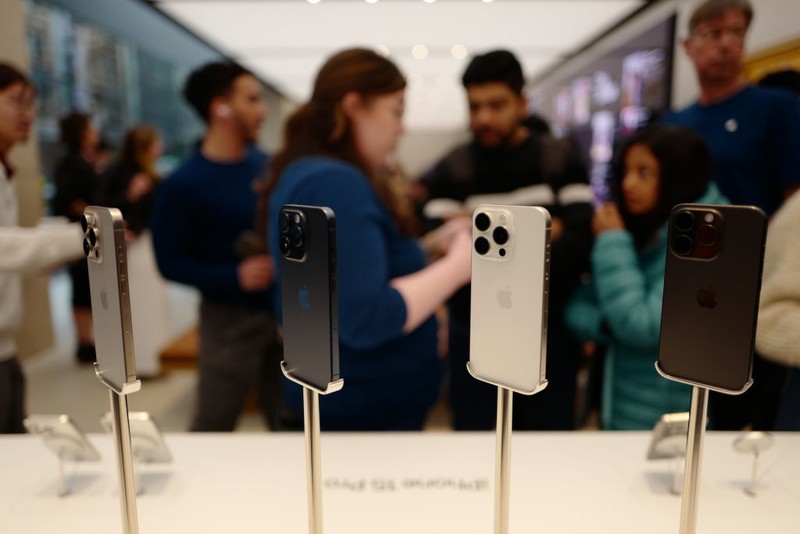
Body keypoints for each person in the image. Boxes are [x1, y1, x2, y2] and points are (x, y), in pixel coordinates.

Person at [264, 48, 472, 431]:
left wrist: (430, 247)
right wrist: (459, 266)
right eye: (395, 110)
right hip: (362, 415)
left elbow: (350, 276)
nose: (401, 127)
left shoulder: (314, 174)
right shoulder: (335, 182)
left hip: (354, 407)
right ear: (353, 105)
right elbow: (366, 317)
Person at [414, 49, 593, 430]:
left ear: (522, 103)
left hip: (548, 339)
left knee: (545, 455)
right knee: (475, 451)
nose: (483, 118)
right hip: (474, 339)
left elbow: (578, 249)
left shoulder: (559, 160)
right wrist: (541, 231)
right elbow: (443, 250)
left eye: (497, 105)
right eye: (475, 106)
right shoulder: (453, 167)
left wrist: (478, 229)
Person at [663, 0, 800, 430]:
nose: (725, 44)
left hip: (757, 289)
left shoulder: (777, 108)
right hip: (690, 283)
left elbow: (795, 203)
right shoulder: (674, 122)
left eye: (735, 33)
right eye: (712, 33)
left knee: (746, 409)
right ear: (688, 45)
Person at [565, 125, 727, 430]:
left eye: (644, 173)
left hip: (666, 416)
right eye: (626, 171)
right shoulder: (645, 224)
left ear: (677, 175)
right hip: (621, 403)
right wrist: (608, 324)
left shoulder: (707, 237)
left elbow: (643, 326)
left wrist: (612, 242)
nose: (628, 184)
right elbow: (576, 306)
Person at [151, 61, 283, 431]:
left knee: (293, 423)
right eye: (252, 99)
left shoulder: (270, 167)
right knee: (214, 423)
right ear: (220, 107)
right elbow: (170, 262)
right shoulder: (182, 185)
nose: (262, 110)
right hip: (227, 321)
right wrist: (233, 276)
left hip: (285, 315)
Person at [0, 62, 83, 433]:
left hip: (6, 347)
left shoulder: (6, 167)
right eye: (17, 102)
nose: (28, 115)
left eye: (31, 104)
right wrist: (79, 237)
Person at [97, 125, 167, 378]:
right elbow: (103, 208)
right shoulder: (123, 173)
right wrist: (130, 195)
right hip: (133, 246)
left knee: (150, 303)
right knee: (139, 304)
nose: (161, 148)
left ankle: (153, 359)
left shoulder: (146, 172)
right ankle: (143, 363)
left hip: (145, 242)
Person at [51, 112, 101, 364]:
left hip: (85, 232)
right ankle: (84, 343)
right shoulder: (72, 164)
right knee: (82, 288)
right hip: (80, 234)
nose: (96, 132)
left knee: (87, 287)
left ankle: (88, 340)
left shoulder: (81, 161)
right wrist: (93, 216)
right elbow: (69, 200)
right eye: (91, 127)